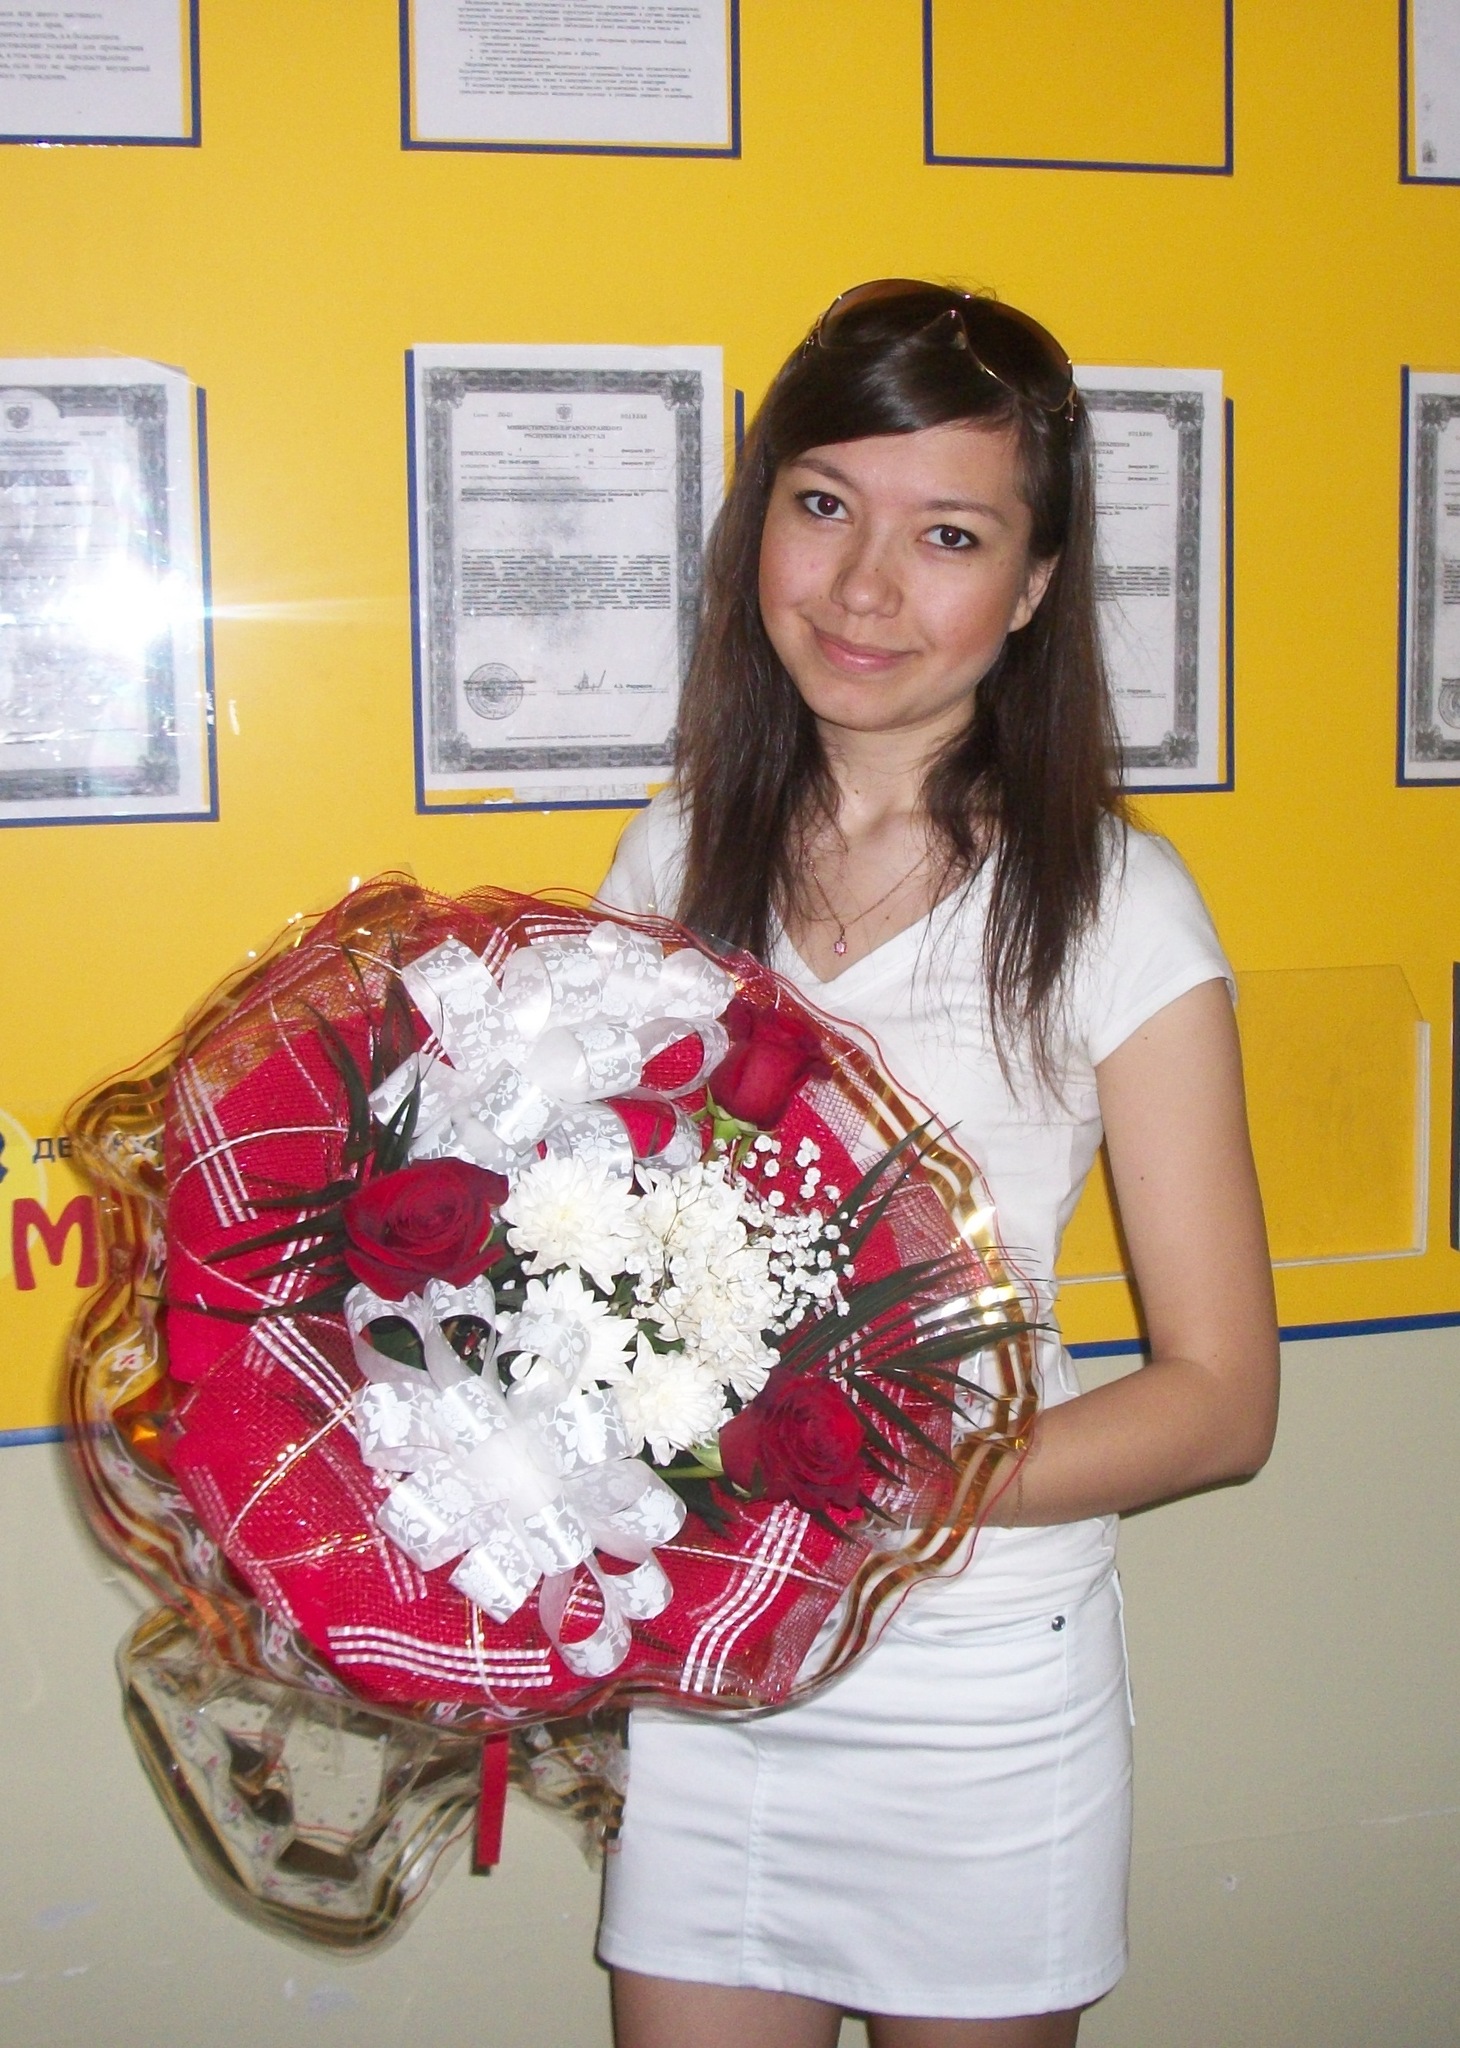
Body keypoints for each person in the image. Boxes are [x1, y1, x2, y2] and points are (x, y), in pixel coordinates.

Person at [594, 279, 1279, 2048]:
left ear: (1036, 587)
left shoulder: (1115, 905)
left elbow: (1221, 1403)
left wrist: (869, 1486)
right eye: (823, 505)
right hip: (718, 1662)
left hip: (976, 1682)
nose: (863, 586)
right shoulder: (672, 857)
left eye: (950, 535)